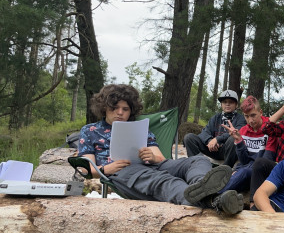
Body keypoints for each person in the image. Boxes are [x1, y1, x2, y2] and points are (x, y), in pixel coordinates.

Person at [77, 84, 243, 214]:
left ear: (131, 110)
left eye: (125, 109)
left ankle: (201, 186)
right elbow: (85, 168)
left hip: (153, 165)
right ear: (104, 108)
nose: (120, 112)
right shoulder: (91, 131)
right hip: (123, 172)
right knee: (166, 181)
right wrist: (105, 169)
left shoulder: (140, 128)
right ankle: (213, 201)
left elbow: (160, 159)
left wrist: (151, 156)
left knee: (198, 160)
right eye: (114, 108)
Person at [219, 96, 277, 193]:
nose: (250, 120)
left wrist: (240, 171)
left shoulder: (270, 129)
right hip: (246, 171)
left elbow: (266, 161)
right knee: (233, 175)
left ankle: (213, 194)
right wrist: (239, 141)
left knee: (243, 172)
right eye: (246, 116)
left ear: (261, 112)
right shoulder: (243, 130)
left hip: (263, 172)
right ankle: (215, 194)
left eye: (253, 115)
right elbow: (244, 161)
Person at [183, 89, 246, 167]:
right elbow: (205, 132)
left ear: (236, 105)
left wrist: (217, 139)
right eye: (224, 102)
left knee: (234, 138)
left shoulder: (241, 119)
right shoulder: (215, 117)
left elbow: (238, 133)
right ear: (221, 104)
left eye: (231, 102)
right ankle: (197, 165)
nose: (227, 104)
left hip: (229, 151)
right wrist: (210, 141)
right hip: (214, 149)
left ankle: (225, 168)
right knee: (189, 137)